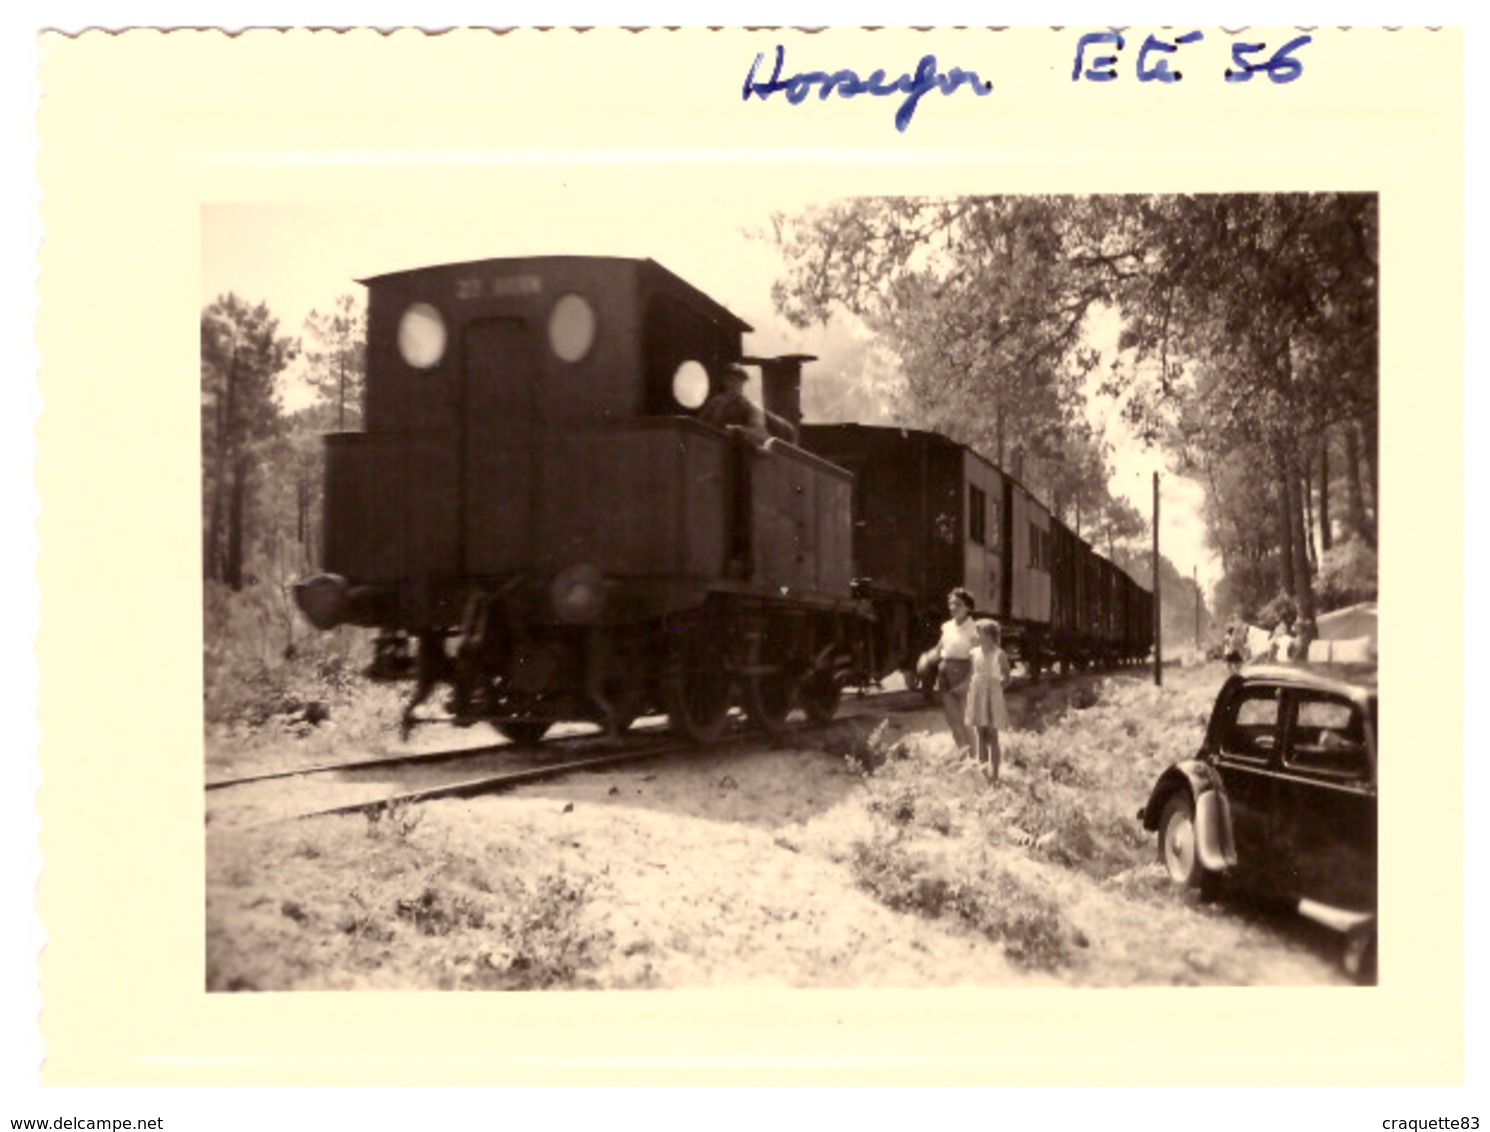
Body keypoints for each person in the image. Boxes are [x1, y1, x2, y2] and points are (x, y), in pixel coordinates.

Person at [966, 618, 1012, 782]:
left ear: (990, 635)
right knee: (980, 734)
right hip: (978, 693)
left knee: (993, 736)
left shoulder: (999, 654)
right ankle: (984, 773)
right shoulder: (974, 653)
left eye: (980, 632)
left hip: (993, 695)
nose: (977, 635)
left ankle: (995, 774)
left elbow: (1007, 677)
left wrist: (997, 691)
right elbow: (972, 674)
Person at [934, 588, 978, 754]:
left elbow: (977, 659)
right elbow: (939, 650)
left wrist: (968, 681)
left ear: (968, 608)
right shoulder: (946, 627)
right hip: (945, 675)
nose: (953, 607)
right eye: (950, 604)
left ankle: (975, 759)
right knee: (952, 721)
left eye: (958, 604)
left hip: (963, 674)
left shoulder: (974, 629)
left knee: (965, 721)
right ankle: (963, 756)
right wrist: (924, 659)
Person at [697, 365, 768, 440]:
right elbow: (698, 425)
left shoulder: (749, 406)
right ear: (724, 381)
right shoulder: (715, 403)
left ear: (743, 383)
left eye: (738, 381)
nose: (733, 384)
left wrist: (738, 430)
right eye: (730, 380)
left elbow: (760, 432)